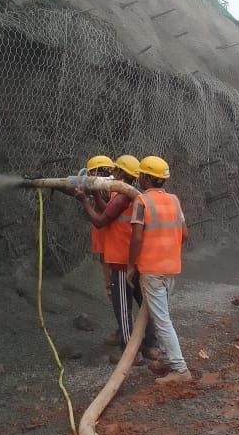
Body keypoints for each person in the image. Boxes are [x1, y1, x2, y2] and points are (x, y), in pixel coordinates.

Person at [78, 155, 158, 362]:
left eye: (115, 170)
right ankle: (150, 346)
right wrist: (95, 195)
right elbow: (108, 209)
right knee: (143, 303)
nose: (111, 173)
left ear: (121, 172)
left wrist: (84, 200)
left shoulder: (123, 197)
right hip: (135, 259)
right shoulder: (132, 196)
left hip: (122, 261)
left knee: (122, 306)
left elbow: (100, 220)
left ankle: (130, 352)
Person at [130, 155, 192, 384]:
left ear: (146, 178)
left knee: (162, 320)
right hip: (170, 267)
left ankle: (180, 369)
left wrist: (131, 265)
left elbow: (137, 238)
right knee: (162, 316)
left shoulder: (141, 201)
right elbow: (185, 234)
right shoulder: (174, 201)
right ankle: (167, 359)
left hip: (151, 269)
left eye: (141, 174)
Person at [83, 155, 118, 346]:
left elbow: (101, 217)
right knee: (115, 292)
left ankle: (126, 332)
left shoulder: (109, 191)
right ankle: (125, 329)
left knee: (117, 292)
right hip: (107, 250)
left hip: (113, 251)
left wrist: (85, 198)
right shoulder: (112, 190)